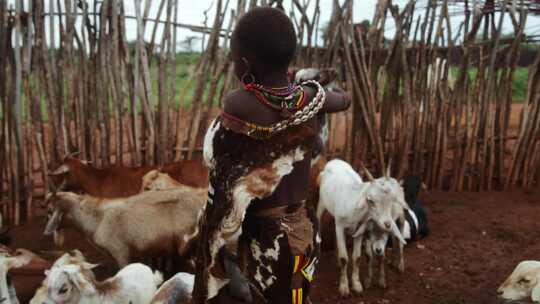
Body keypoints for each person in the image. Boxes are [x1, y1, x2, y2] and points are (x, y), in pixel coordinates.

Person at [192, 7, 350, 304]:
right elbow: (342, 99)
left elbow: (224, 194)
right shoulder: (311, 99)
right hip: (303, 230)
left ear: (245, 63)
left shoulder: (237, 103)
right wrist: (314, 92)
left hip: (264, 239)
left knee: (261, 295)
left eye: (233, 54)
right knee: (296, 295)